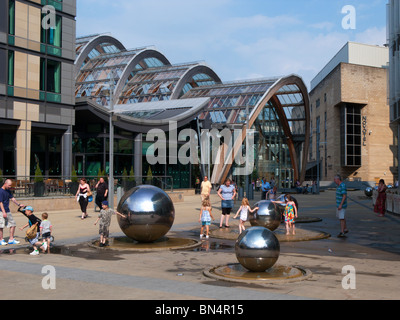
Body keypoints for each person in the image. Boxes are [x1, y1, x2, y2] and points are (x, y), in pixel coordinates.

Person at [0, 179, 24, 245]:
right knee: (1, 226)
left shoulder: (8, 190)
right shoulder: (1, 191)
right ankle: (1, 240)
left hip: (7, 210)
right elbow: (0, 202)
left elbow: (12, 198)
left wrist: (19, 204)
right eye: (9, 185)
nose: (10, 186)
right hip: (1, 211)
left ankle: (11, 239)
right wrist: (3, 212)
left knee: (13, 224)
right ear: (5, 183)